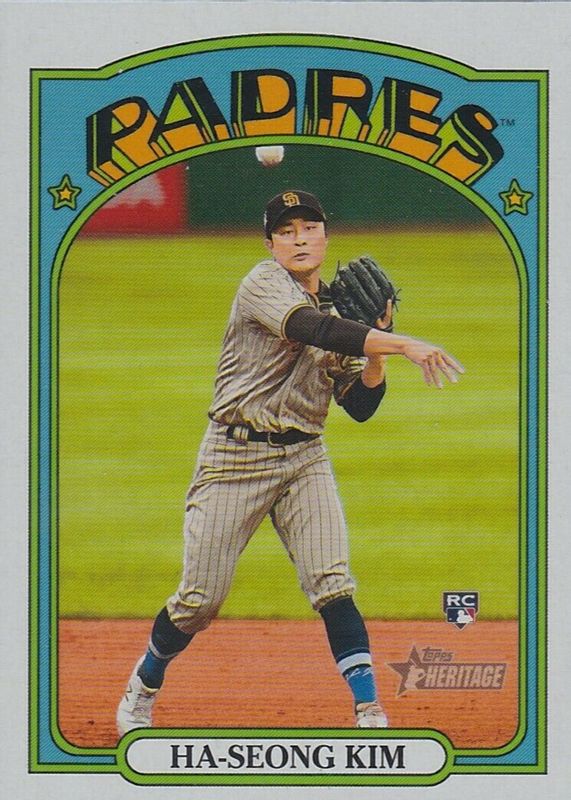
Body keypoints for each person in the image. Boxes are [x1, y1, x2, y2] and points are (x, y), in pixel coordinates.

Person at [117, 189, 463, 736]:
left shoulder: (344, 313)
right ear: (270, 244)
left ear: (325, 235)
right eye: (286, 231)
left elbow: (359, 405)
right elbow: (311, 328)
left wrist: (376, 354)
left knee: (333, 583)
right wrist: (399, 342)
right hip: (234, 458)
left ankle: (369, 710)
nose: (299, 240)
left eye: (309, 228)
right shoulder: (262, 285)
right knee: (199, 602)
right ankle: (144, 683)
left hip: (305, 459)